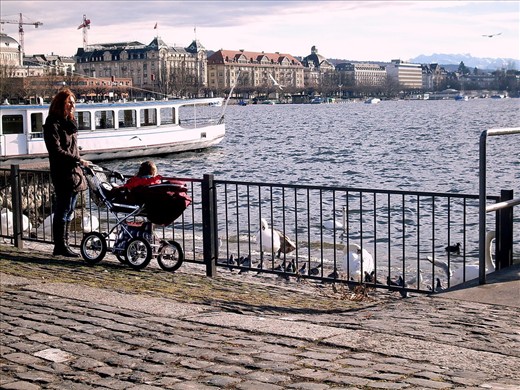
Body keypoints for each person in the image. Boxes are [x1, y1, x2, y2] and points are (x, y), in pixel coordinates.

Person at [43, 89, 90, 257]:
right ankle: (60, 246)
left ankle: (65, 244)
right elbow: (56, 150)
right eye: (69, 102)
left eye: (73, 102)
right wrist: (78, 160)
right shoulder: (52, 124)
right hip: (63, 172)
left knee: (69, 209)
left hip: (73, 171)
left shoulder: (69, 123)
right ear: (61, 104)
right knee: (63, 209)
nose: (73, 105)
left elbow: (72, 148)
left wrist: (78, 160)